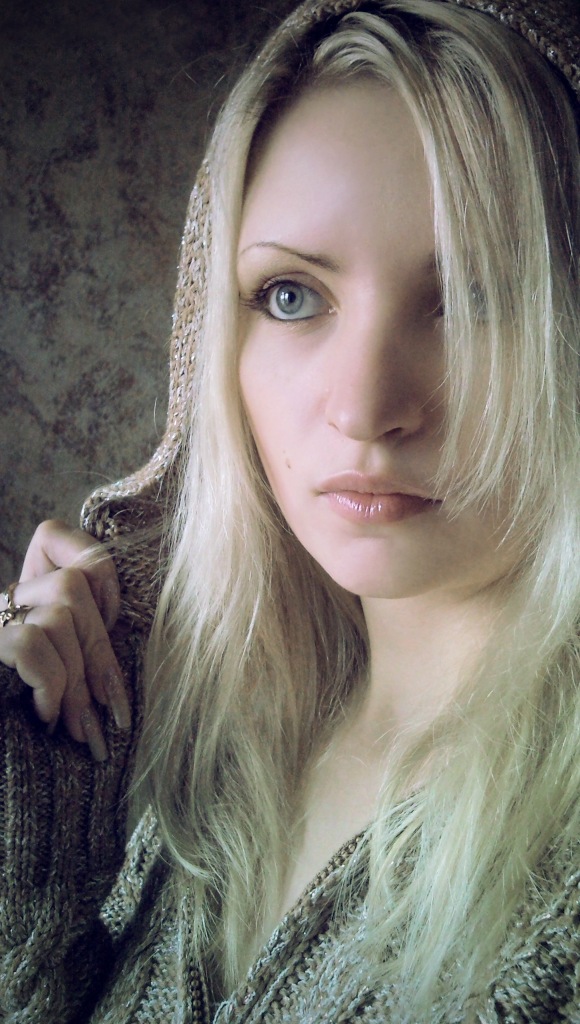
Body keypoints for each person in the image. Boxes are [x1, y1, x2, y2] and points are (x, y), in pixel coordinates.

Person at [0, 0, 579, 1020]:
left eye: (475, 297)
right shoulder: (199, 747)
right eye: (291, 296)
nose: (364, 407)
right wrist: (37, 808)